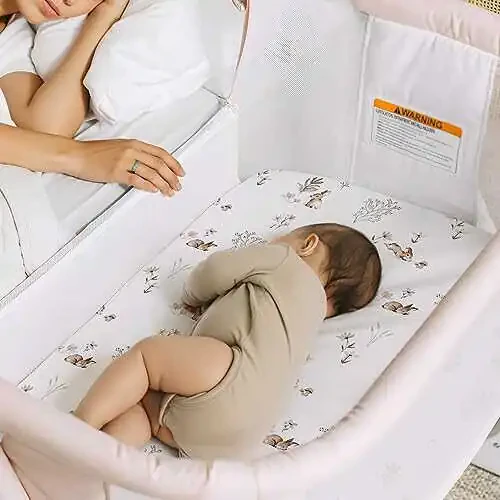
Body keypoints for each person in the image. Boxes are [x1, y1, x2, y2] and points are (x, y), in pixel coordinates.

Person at [74, 223, 382, 460]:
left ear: (308, 243)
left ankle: (77, 430)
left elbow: (216, 271)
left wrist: (192, 294)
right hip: (240, 437)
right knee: (144, 407)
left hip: (229, 375)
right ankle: (98, 465)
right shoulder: (312, 320)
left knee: (147, 359)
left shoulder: (286, 260)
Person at [0, 0, 183, 197]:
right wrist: (78, 156)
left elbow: (47, 129)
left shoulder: (13, 32)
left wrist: (104, 16)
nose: (70, 1)